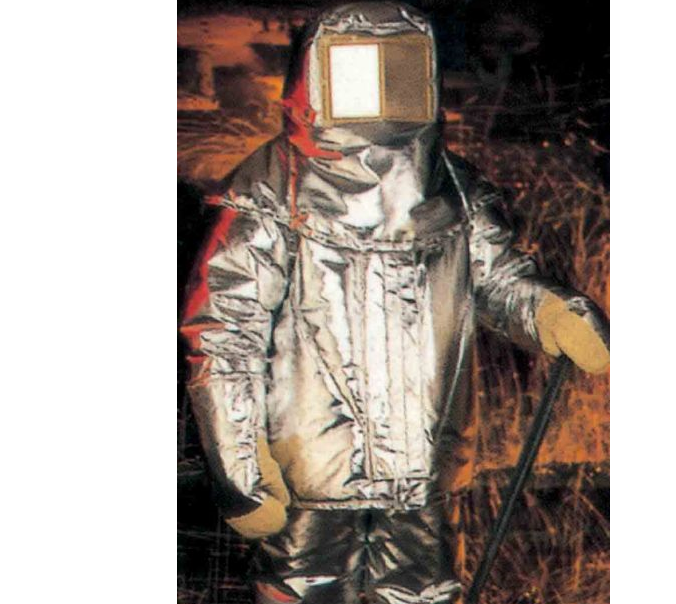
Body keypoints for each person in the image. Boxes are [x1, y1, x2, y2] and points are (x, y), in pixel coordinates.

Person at [181, 3, 609, 603]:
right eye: (357, 72)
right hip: (313, 475)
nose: (379, 92)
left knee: (421, 591)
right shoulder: (273, 187)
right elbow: (228, 332)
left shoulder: (454, 187)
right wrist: (241, 470)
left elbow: (497, 277)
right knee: (305, 591)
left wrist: (550, 312)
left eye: (398, 68)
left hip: (423, 468)